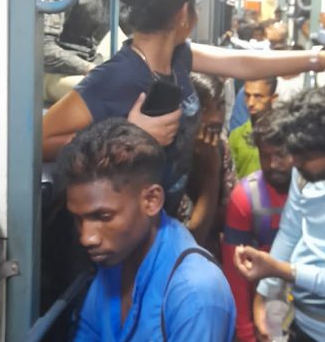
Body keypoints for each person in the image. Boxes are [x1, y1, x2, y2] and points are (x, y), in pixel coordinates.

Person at [42, 0, 325, 218]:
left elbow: (241, 63)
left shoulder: (177, 56)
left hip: (158, 211)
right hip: (123, 220)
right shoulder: (118, 76)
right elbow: (38, 141)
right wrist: (125, 133)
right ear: (184, 14)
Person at [56, 118, 236, 341]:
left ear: (151, 200)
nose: (87, 237)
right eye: (78, 219)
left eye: (103, 217)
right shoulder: (114, 261)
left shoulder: (195, 292)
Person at [233, 87, 325, 342]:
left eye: (304, 158)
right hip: (300, 320)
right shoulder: (307, 171)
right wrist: (264, 294)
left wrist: (280, 270)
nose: (294, 163)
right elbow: (291, 231)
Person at [222, 111, 294, 342]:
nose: (273, 164)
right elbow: (236, 275)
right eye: (265, 155)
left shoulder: (316, 192)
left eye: (281, 155)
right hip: (263, 309)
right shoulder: (246, 197)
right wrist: (246, 335)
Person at [178, 72, 236, 259]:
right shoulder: (170, 157)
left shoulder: (220, 147)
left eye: (219, 107)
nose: (215, 118)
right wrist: (211, 172)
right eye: (203, 109)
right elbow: (192, 239)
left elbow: (229, 216)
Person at [229, 77, 277, 179]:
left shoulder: (283, 134)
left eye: (258, 96)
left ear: (273, 98)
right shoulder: (236, 136)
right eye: (247, 95)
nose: (251, 103)